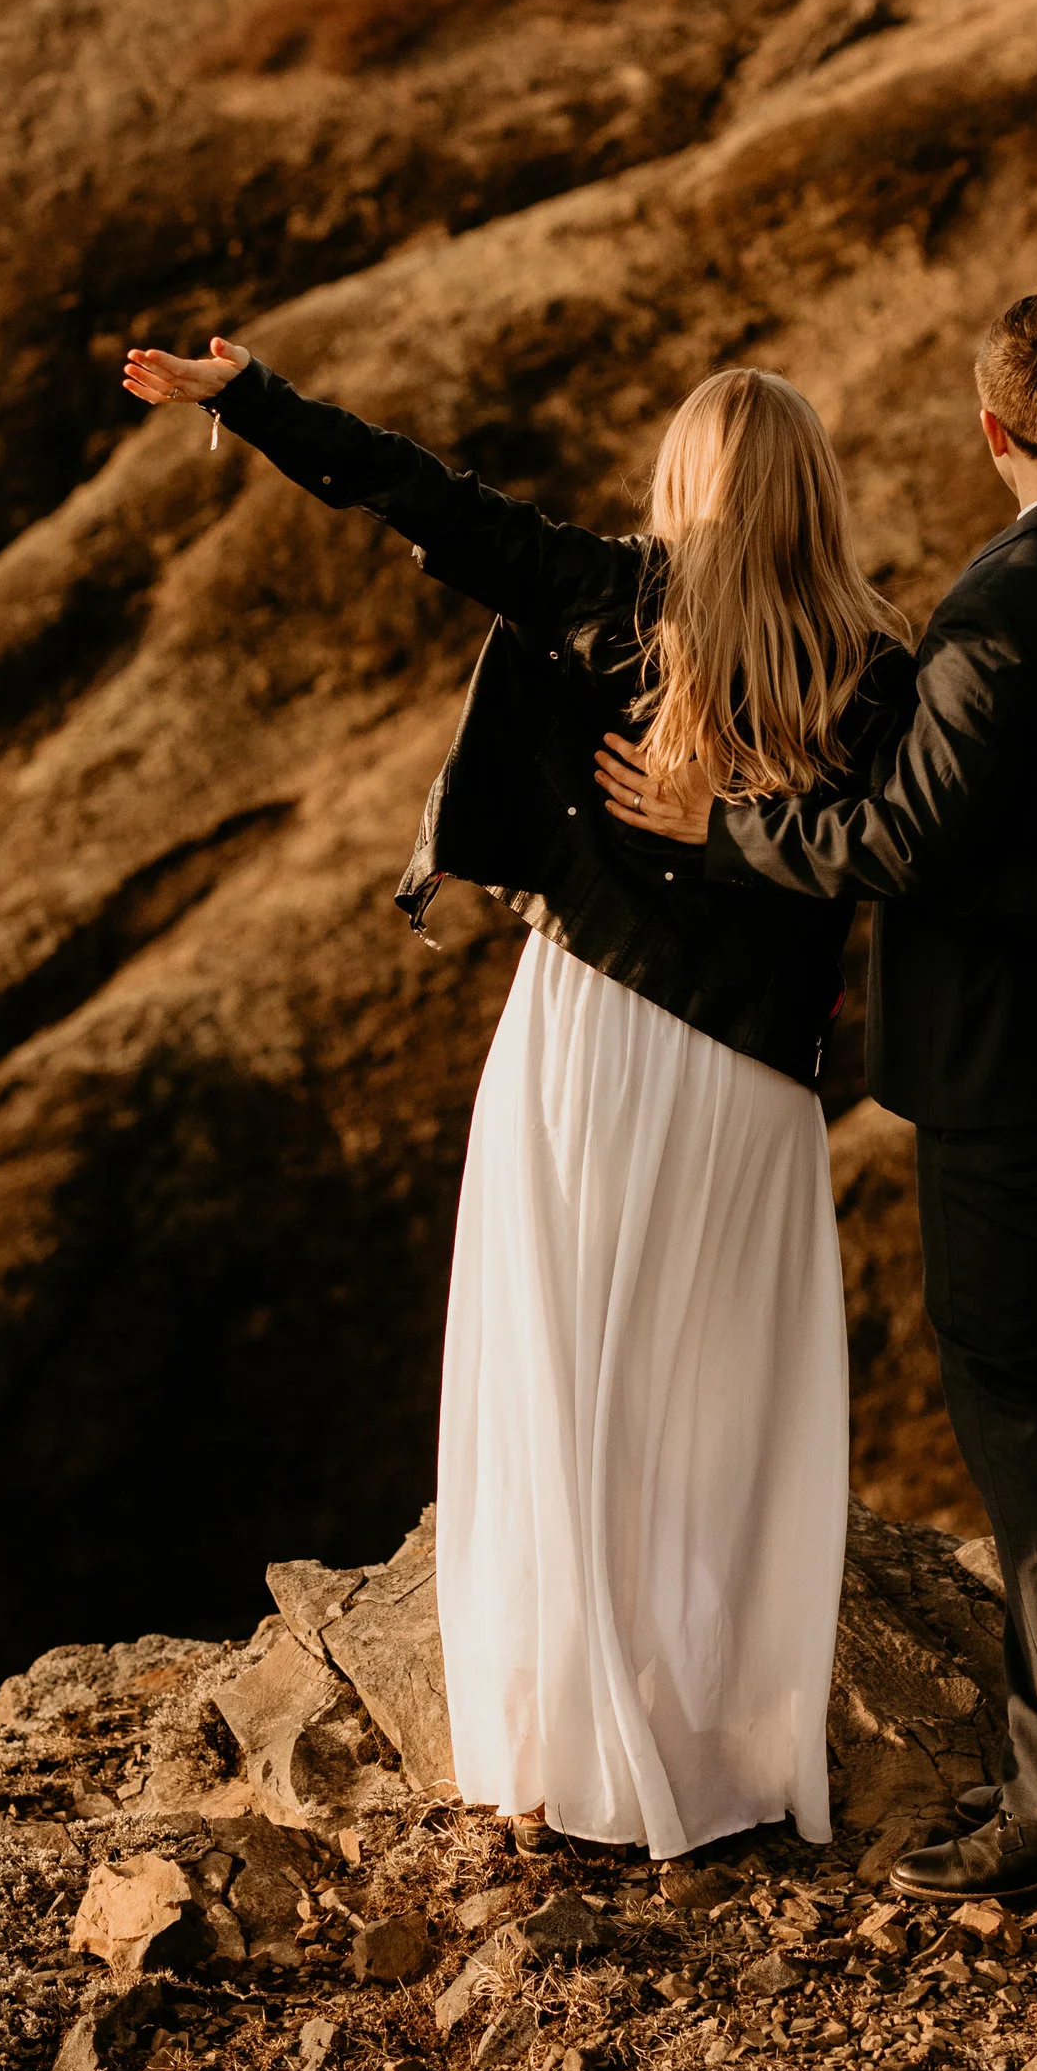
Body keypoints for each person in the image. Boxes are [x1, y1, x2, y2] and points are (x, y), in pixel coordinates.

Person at [601, 86, 1037, 1910]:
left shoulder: (991, 627)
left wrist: (722, 814)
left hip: (1012, 1085)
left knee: (1020, 1409)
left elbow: (888, 842)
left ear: (993, 431)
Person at [118, 333, 912, 1863]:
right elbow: (909, 851)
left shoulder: (617, 600)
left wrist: (256, 401)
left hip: (594, 1039)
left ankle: (568, 1742)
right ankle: (716, 1742)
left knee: (569, 1383)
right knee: (714, 1413)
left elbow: (424, 496)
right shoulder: (875, 671)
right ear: (815, 497)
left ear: (684, 487)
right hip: (755, 1088)